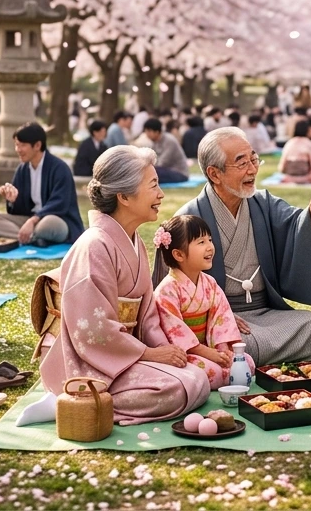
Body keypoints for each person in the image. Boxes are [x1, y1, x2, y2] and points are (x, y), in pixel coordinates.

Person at [38, 147, 211, 423]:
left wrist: (164, 352)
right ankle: (70, 398)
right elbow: (93, 329)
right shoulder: (94, 245)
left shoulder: (134, 242)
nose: (161, 194)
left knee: (198, 378)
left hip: (122, 352)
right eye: (153, 185)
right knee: (176, 388)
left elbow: (147, 317)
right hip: (89, 360)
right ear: (124, 196)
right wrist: (150, 354)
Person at [154, 127, 311, 366]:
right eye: (241, 163)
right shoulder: (189, 218)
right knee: (230, 342)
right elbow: (169, 290)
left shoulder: (263, 203)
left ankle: (242, 360)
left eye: (253, 159)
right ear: (214, 173)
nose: (252, 169)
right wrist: (222, 316)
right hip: (216, 319)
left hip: (265, 311)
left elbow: (296, 227)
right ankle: (241, 356)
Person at [152, 215, 243, 390]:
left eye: (209, 239)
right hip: (187, 352)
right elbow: (175, 332)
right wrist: (207, 353)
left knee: (245, 361)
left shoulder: (209, 283)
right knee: (213, 372)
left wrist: (222, 350)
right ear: (178, 254)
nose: (210, 247)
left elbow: (221, 318)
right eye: (201, 242)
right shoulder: (167, 290)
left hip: (209, 346)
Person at [0, 123, 85, 246]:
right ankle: (32, 239)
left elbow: (60, 204)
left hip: (57, 220)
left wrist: (34, 220)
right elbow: (20, 211)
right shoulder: (22, 169)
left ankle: (26, 236)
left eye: (23, 145)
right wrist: (13, 200)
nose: (18, 150)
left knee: (47, 224)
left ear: (37, 145)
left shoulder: (60, 168)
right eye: (16, 145)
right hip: (29, 220)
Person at [135, 118, 189, 184]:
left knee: (152, 171)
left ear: (157, 132)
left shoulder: (169, 141)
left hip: (179, 173)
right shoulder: (155, 142)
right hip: (166, 171)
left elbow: (162, 163)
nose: (146, 134)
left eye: (149, 131)